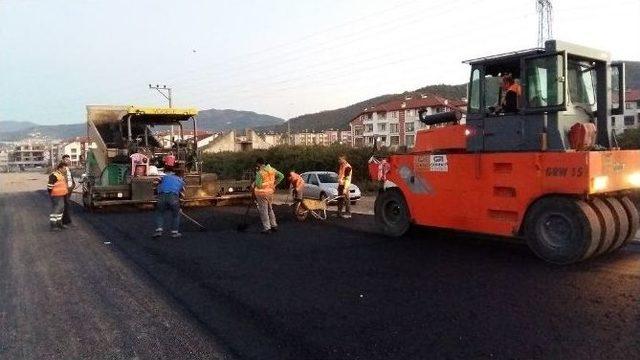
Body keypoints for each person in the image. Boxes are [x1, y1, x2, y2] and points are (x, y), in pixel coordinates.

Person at [253, 157, 284, 234]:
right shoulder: (272, 170)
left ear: (258, 164)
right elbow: (281, 176)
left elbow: (259, 185)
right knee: (270, 209)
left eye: (257, 164)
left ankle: (267, 228)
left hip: (261, 194)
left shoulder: (260, 173)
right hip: (270, 192)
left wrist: (254, 183)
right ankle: (274, 225)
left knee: (264, 211)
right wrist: (274, 184)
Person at [153, 166, 185, 238]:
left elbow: (155, 184)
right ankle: (174, 233)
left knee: (160, 213)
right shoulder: (181, 180)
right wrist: (180, 206)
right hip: (173, 197)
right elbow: (182, 194)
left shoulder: (163, 177)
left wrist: (156, 197)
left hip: (161, 196)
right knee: (176, 215)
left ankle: (159, 231)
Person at [47, 162, 69, 231]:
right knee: (56, 209)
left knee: (61, 209)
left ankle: (59, 223)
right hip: (56, 195)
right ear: (60, 168)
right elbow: (49, 186)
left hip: (61, 195)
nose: (65, 170)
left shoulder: (60, 175)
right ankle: (53, 225)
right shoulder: (54, 175)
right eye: (64, 168)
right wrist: (52, 193)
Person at [61, 154, 76, 227]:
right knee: (66, 205)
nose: (68, 161)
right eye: (66, 159)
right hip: (64, 190)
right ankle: (64, 222)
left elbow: (70, 179)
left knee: (67, 205)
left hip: (69, 189)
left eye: (68, 159)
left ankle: (67, 221)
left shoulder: (68, 168)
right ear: (63, 160)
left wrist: (73, 185)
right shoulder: (61, 169)